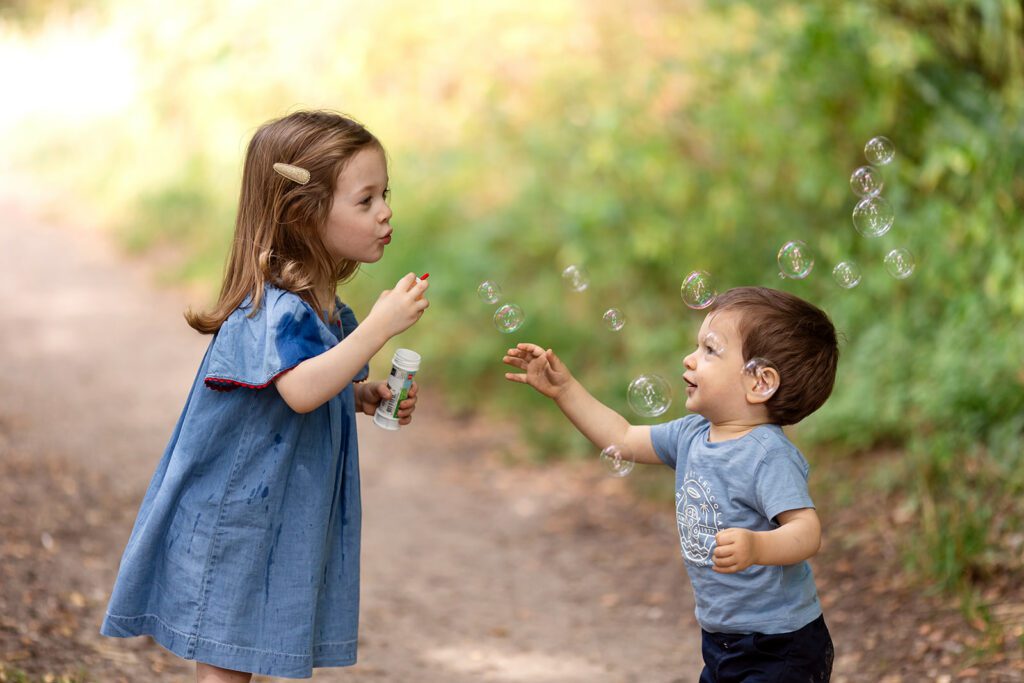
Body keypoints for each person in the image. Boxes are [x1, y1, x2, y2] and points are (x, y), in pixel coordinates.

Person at [100, 110, 429, 682]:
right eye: (366, 199)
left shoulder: (319, 306)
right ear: (302, 214)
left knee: (248, 646)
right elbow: (300, 391)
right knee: (228, 659)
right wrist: (380, 328)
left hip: (278, 505)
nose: (385, 212)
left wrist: (362, 394)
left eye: (385, 194)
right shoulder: (272, 308)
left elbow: (313, 384)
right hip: (242, 511)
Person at [503, 286, 837, 682]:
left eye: (710, 350)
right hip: (721, 636)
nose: (690, 359)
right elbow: (623, 438)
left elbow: (807, 531)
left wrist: (757, 545)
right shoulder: (693, 434)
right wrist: (565, 390)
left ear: (760, 382)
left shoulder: (767, 455)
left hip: (781, 643)